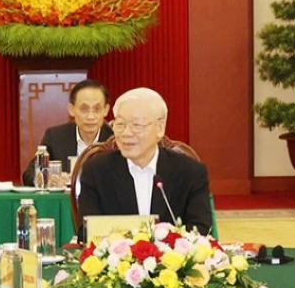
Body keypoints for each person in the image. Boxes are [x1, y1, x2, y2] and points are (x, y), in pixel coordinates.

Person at [76, 87, 212, 235]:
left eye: (136, 125)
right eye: (120, 124)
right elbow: (88, 232)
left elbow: (201, 231)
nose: (126, 133)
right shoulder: (96, 171)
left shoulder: (190, 172)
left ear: (160, 128)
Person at [21, 78, 113, 186]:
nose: (90, 116)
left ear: (106, 110)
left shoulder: (115, 139)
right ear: (72, 110)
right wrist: (46, 178)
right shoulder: (56, 137)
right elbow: (29, 174)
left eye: (97, 109)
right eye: (84, 109)